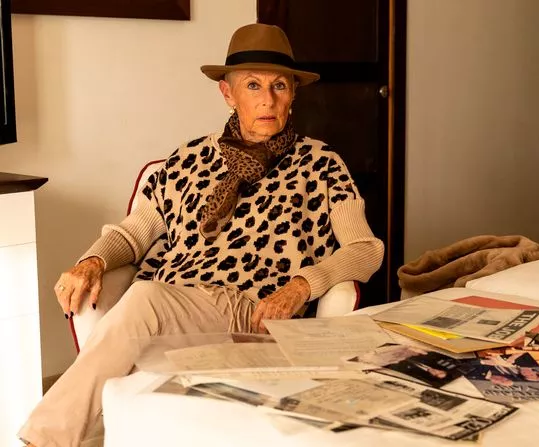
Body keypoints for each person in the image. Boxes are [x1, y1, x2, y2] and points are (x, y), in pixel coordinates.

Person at [19, 23, 384, 447]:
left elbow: (365, 249)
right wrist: (93, 261)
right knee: (140, 318)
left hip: (253, 313)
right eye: (253, 85)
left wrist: (302, 285)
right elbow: (135, 232)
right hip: (178, 308)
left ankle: (43, 440)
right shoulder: (187, 159)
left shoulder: (320, 164)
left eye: (280, 86)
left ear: (293, 94)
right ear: (228, 94)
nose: (268, 100)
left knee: (144, 299)